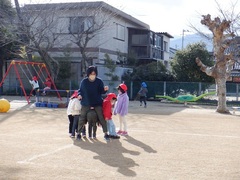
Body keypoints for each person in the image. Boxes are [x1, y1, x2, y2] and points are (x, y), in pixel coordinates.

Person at [77, 66, 110, 141]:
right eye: (91, 74)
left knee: (101, 118)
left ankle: (106, 134)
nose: (93, 75)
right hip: (86, 103)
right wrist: (79, 95)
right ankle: (78, 133)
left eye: (94, 74)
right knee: (82, 118)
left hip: (97, 102)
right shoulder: (84, 82)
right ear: (88, 74)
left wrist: (105, 90)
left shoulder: (99, 81)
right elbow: (80, 91)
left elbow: (101, 91)